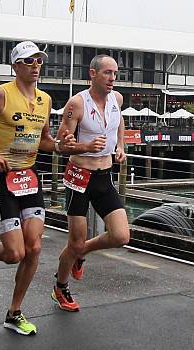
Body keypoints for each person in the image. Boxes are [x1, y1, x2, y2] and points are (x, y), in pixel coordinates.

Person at [0, 41, 75, 335]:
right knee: (14, 253)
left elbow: (45, 139)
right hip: (5, 178)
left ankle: (14, 313)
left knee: (34, 247)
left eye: (39, 61)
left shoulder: (45, 100)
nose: (36, 66)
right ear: (16, 66)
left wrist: (60, 147)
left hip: (30, 178)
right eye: (29, 61)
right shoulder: (0, 94)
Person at [52, 54, 130, 312]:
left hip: (104, 175)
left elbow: (119, 122)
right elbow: (60, 145)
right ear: (93, 74)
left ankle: (80, 252)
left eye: (115, 74)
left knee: (120, 235)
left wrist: (120, 145)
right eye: (107, 73)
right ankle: (60, 287)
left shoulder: (116, 99)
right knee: (73, 241)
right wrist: (86, 146)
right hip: (79, 176)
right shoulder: (77, 104)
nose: (112, 78)